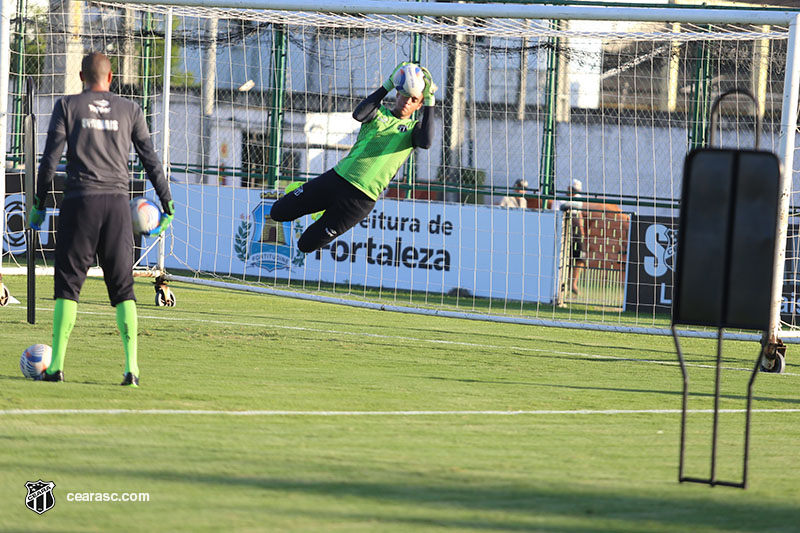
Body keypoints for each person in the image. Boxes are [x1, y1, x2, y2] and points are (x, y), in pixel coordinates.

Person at [28, 52, 174, 387]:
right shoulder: (131, 110)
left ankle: (57, 368)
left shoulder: (68, 106)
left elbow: (50, 161)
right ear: (111, 79)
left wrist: (38, 204)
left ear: (81, 77)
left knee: (68, 286)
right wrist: (167, 203)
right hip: (117, 207)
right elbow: (150, 160)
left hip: (80, 203)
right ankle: (131, 370)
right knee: (123, 289)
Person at [269, 62, 436, 253]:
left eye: (414, 99)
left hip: (360, 201)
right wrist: (388, 84)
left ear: (419, 105)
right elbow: (359, 114)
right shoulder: (378, 113)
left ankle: (321, 211)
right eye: (405, 95)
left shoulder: (413, 130)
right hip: (338, 179)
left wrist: (430, 99)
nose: (407, 101)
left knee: (305, 245)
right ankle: (301, 191)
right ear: (398, 93)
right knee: (278, 212)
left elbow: (426, 142)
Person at [552, 179, 586, 295]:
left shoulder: (579, 198)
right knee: (564, 259)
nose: (574, 193)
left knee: (580, 257)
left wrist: (582, 230)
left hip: (576, 232)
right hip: (563, 230)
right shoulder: (559, 199)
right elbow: (554, 215)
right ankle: (561, 285)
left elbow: (580, 215)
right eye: (572, 190)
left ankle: (573, 284)